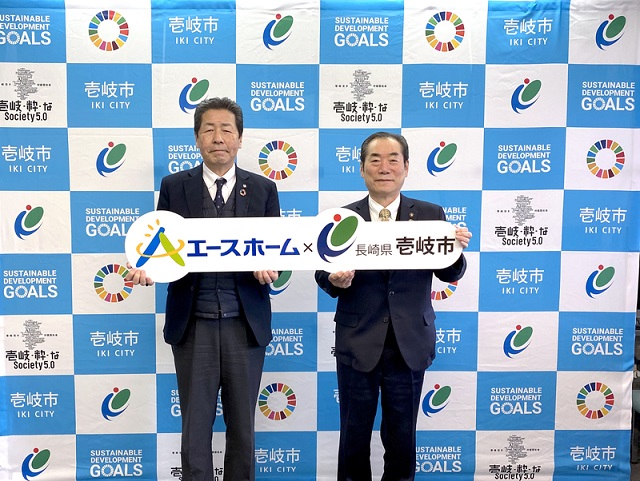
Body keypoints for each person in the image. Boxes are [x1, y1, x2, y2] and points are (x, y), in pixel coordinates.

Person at [126, 97, 280, 481]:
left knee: (243, 429)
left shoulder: (263, 189)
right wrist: (148, 268)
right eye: (209, 129)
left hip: (245, 325)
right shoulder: (174, 186)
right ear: (197, 138)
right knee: (195, 429)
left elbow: (276, 250)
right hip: (193, 324)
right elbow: (162, 249)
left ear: (240, 138)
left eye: (227, 129)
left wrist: (271, 269)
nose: (218, 138)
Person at [315, 131, 472, 481]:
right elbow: (322, 273)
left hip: (409, 343)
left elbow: (450, 273)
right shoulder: (341, 217)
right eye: (375, 160)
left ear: (406, 167)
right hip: (358, 341)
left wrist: (454, 248)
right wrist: (335, 280)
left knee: (402, 439)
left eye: (392, 159)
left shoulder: (431, 215)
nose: (384, 167)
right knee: (353, 437)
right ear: (361, 169)